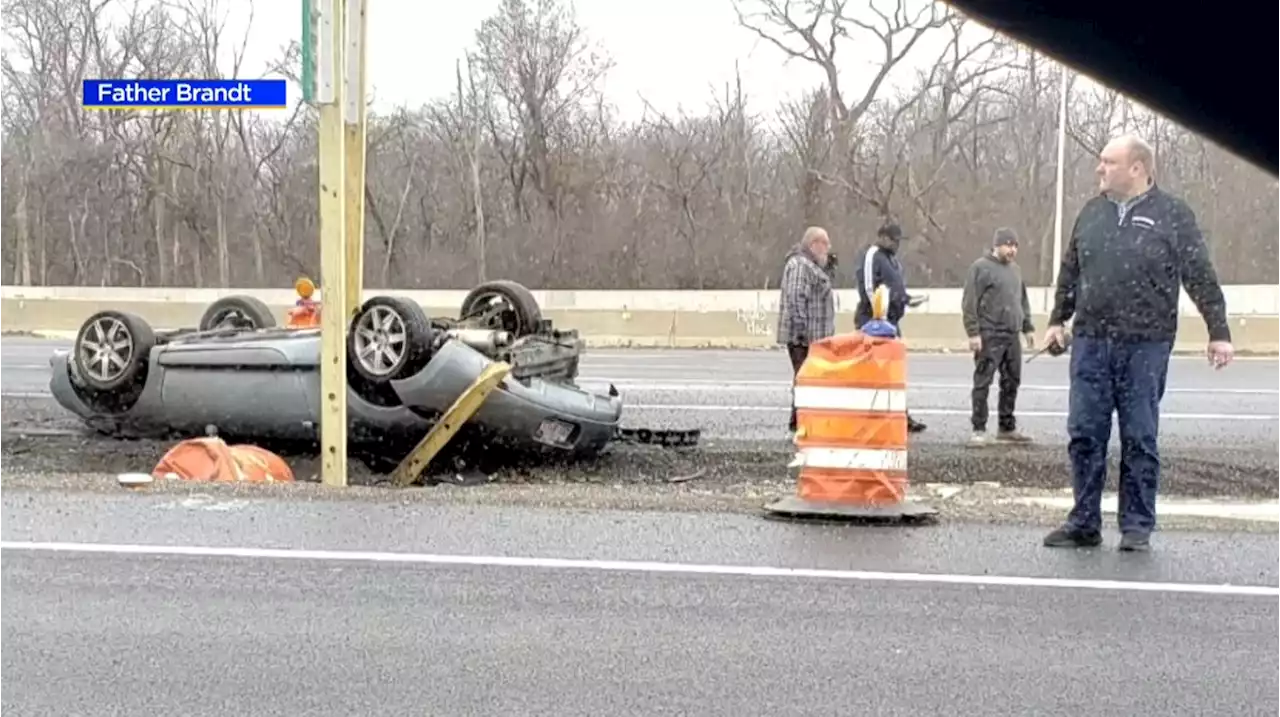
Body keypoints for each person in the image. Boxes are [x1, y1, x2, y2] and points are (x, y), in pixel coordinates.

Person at [1041, 134, 1235, 552]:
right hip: (1092, 340)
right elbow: (1071, 269)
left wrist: (1218, 331)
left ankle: (1136, 525)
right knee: (1085, 433)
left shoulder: (1172, 214)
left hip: (1145, 344)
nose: (1099, 168)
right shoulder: (1091, 214)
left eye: (1108, 162)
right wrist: (1058, 319)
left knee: (1140, 436)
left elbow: (1199, 274)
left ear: (1138, 168)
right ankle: (1084, 522)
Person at [960, 227, 1036, 445]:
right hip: (989, 333)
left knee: (1012, 380)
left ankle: (1006, 426)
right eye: (1008, 245)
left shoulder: (1016, 270)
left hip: (1012, 334)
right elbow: (969, 302)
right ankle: (978, 428)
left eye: (1015, 246)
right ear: (996, 245)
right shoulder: (980, 268)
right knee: (983, 381)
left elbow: (1022, 301)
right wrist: (973, 332)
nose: (1012, 250)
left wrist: (1027, 327)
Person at [855, 222, 927, 432]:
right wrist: (879, 316)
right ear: (883, 237)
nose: (897, 245)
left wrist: (906, 299)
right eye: (894, 240)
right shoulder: (873, 255)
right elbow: (869, 288)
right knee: (874, 373)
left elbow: (895, 289)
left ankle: (899, 414)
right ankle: (871, 417)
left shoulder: (892, 261)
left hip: (892, 324)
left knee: (894, 373)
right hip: (873, 322)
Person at [777, 226, 836, 432]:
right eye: (825, 244)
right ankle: (799, 418)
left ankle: (802, 416)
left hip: (814, 335)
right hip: (803, 336)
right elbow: (796, 297)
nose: (828, 248)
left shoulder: (811, 265)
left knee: (808, 378)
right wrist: (801, 328)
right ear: (814, 244)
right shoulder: (799, 265)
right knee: (805, 377)